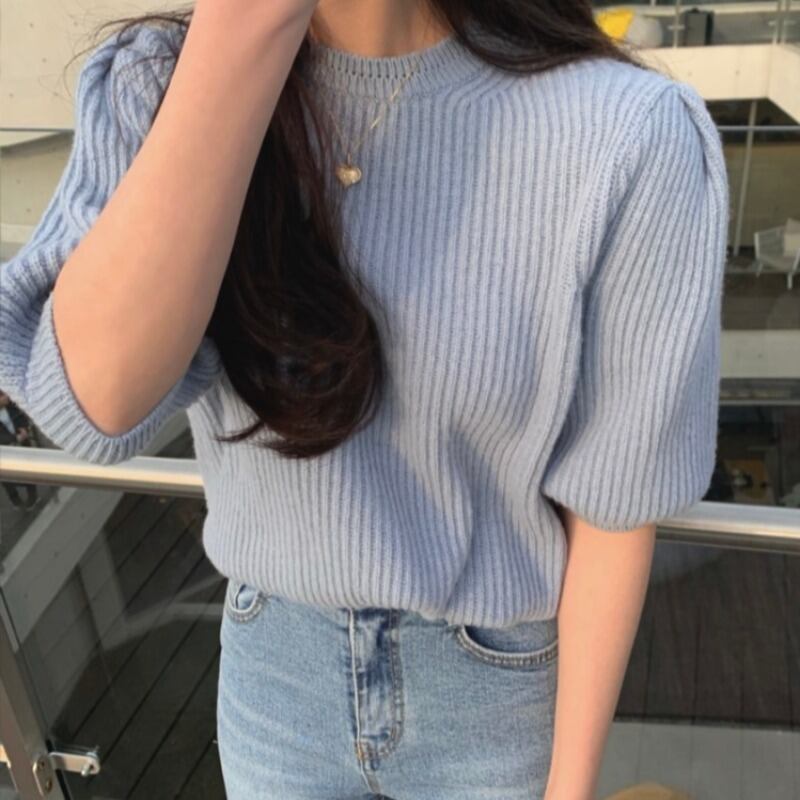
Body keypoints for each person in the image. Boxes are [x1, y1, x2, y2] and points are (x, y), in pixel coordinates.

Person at [0, 1, 729, 798]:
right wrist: (243, 32)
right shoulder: (160, 83)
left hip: (490, 688)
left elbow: (613, 507)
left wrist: (570, 788)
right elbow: (93, 408)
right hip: (273, 675)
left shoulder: (622, 128)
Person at [0, 390, 39, 509]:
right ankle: (15, 498)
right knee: (7, 477)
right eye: (2, 396)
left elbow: (22, 416)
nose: (6, 397)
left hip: (22, 442)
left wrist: (24, 429)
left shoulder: (12, 406)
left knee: (26, 470)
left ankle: (32, 496)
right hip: (5, 449)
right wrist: (14, 438)